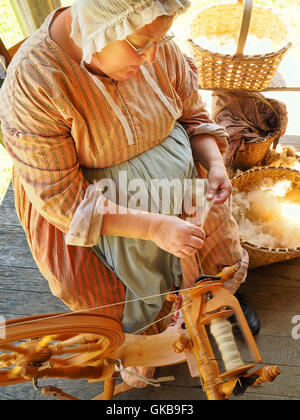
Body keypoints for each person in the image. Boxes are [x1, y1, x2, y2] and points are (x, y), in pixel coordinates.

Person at [0, 0, 259, 388]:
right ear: (96, 30)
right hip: (96, 213)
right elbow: (59, 197)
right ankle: (149, 342)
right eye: (139, 47)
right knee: (112, 296)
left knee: (209, 250)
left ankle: (210, 307)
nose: (153, 56)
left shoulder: (150, 38)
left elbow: (194, 115)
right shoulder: (35, 82)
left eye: (161, 40)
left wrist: (214, 163)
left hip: (181, 186)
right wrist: (153, 228)